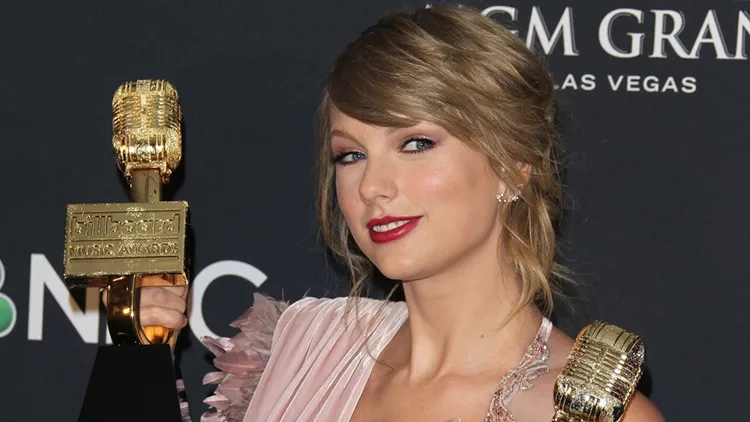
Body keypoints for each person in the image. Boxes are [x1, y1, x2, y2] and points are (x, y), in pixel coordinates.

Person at [134, 5, 664, 422]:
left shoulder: (581, 411)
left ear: (512, 166)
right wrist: (139, 357)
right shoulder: (302, 346)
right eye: (351, 154)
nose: (372, 186)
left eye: (415, 143)